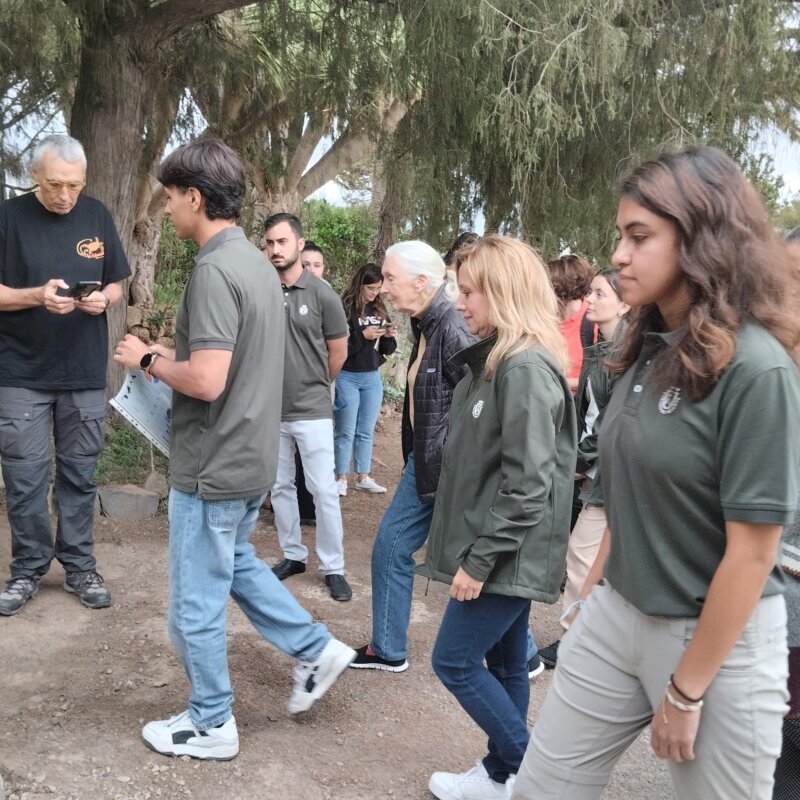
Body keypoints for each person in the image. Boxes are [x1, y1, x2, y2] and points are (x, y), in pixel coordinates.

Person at [512, 147, 800, 800]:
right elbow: (625, 492)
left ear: (701, 240)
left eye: (639, 237)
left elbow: (754, 554)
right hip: (616, 614)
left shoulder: (757, 370)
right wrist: (589, 601)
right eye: (620, 234)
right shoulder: (644, 350)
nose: (618, 255)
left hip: (715, 643)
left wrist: (686, 689)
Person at [113, 139, 354, 761]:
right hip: (248, 458)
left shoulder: (215, 271)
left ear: (194, 197)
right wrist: (170, 359)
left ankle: (212, 722)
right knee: (237, 562)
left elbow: (208, 380)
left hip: (211, 464)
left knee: (194, 604)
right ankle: (315, 648)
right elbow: (235, 362)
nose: (167, 207)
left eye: (171, 197)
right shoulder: (255, 264)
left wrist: (147, 360)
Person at [422, 234, 576, 800]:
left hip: (504, 553)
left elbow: (529, 482)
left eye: (469, 292)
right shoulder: (498, 361)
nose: (458, 303)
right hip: (502, 551)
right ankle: (501, 776)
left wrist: (479, 560)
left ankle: (534, 777)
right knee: (508, 666)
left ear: (504, 292)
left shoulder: (524, 368)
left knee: (454, 662)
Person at [0, 133, 130, 616]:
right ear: (34, 174)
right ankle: (28, 568)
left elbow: (116, 282)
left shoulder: (97, 215)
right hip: (21, 372)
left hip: (83, 371)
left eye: (74, 185)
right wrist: (35, 296)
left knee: (79, 476)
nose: (65, 195)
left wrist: (104, 299)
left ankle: (79, 567)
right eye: (55, 184)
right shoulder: (9, 218)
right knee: (25, 478)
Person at [350, 241, 472, 671]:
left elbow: (482, 403)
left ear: (421, 282)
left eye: (390, 278)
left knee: (463, 558)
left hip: (447, 467)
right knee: (403, 548)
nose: (383, 287)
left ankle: (521, 653)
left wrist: (455, 464)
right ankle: (387, 648)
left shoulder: (453, 328)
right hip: (426, 461)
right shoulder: (426, 324)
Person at [537, 268, 629, 670]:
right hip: (591, 465)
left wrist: (579, 459)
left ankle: (574, 642)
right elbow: (586, 414)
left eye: (600, 294)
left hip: (608, 472)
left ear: (625, 305)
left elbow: (611, 420)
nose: (589, 300)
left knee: (580, 556)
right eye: (590, 292)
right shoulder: (597, 347)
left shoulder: (625, 354)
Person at [263, 213, 353, 601]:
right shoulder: (262, 288)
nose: (275, 249)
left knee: (323, 491)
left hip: (312, 409)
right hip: (270, 410)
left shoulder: (321, 294)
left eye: (282, 241)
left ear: (299, 244)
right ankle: (293, 555)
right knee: (280, 487)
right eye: (269, 243)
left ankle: (333, 567)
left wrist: (316, 385)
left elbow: (338, 352)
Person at [334, 262, 398, 496]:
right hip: (347, 375)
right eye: (371, 288)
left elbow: (387, 350)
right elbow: (340, 348)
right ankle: (340, 477)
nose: (374, 293)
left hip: (371, 376)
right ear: (360, 284)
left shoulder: (379, 309)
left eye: (378, 288)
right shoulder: (345, 308)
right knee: (345, 430)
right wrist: (362, 336)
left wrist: (389, 336)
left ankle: (363, 476)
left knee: (365, 430)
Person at [547, 254, 595, 392]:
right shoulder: (547, 321)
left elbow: (601, 380)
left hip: (576, 401)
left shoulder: (594, 322)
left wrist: (557, 382)